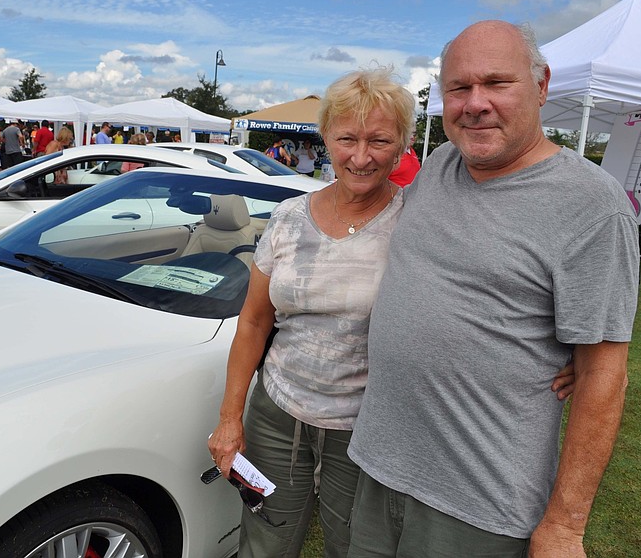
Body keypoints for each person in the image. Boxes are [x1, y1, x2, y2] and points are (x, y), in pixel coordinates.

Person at [207, 67, 578, 558]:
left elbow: (491, 279)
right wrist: (230, 417)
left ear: (403, 144)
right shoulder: (287, 219)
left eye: (379, 140)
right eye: (346, 139)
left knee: (351, 546)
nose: (360, 157)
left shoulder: (418, 219)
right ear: (325, 138)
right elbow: (254, 320)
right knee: (266, 538)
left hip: (368, 431)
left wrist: (558, 345)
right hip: (276, 414)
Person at [347, 21, 639, 557]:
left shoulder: (592, 206)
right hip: (378, 464)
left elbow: (604, 371)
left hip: (478, 502)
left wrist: (566, 526)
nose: (474, 104)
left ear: (542, 85)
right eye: (458, 88)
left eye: (497, 83)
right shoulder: (439, 166)